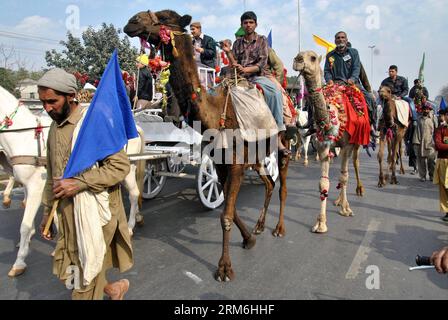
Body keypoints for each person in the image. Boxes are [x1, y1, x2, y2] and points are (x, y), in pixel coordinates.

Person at [37, 68, 133, 300]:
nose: (47, 108)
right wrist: (47, 212)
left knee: (84, 280)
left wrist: (79, 183)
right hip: (67, 215)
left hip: (96, 215)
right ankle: (113, 289)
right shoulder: (54, 127)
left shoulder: (93, 125)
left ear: (71, 96)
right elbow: (53, 175)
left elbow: (120, 167)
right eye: (43, 102)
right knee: (70, 270)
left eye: (52, 101)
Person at [220, 11, 289, 155]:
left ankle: (277, 135)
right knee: (219, 91)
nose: (248, 25)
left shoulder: (262, 40)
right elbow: (234, 63)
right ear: (242, 25)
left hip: (258, 76)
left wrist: (245, 69)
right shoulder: (238, 43)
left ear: (256, 24)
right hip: (239, 77)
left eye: (251, 22)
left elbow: (262, 64)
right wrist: (228, 53)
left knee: (274, 92)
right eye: (245, 23)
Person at [324, 32, 376, 141]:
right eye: (338, 38)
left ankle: (371, 126)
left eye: (343, 37)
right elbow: (327, 71)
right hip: (335, 85)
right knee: (315, 98)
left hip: (352, 84)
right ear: (335, 40)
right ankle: (312, 125)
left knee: (371, 99)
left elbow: (357, 68)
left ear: (346, 40)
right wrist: (329, 80)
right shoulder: (330, 55)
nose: (340, 39)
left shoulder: (353, 52)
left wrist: (352, 79)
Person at [413, 102, 437, 182]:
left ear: (429, 110)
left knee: (431, 160)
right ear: (422, 110)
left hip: (431, 143)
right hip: (421, 143)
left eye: (428, 109)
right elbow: (417, 132)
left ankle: (432, 175)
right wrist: (416, 143)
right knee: (421, 161)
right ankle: (422, 176)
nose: (426, 110)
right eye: (425, 109)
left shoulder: (433, 119)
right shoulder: (419, 120)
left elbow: (437, 130)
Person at [190, 21, 217, 88]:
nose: (191, 31)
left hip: (205, 67)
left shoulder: (209, 39)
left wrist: (202, 50)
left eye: (193, 29)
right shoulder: (192, 41)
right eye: (191, 30)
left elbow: (213, 53)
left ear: (199, 29)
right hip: (195, 67)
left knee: (206, 89)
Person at [433, 106, 448, 222]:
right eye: (446, 114)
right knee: (444, 187)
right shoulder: (440, 129)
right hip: (442, 161)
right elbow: (438, 145)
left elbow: (442, 145)